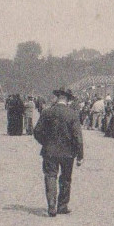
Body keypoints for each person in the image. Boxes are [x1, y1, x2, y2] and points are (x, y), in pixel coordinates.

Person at [33, 88, 84, 217]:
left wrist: (45, 143)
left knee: (50, 176)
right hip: (68, 153)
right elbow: (78, 136)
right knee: (66, 178)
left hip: (49, 151)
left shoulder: (47, 112)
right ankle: (62, 205)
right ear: (67, 99)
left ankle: (51, 206)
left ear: (58, 97)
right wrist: (80, 155)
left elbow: (37, 131)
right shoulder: (72, 114)